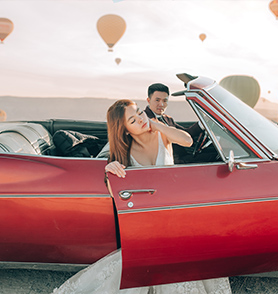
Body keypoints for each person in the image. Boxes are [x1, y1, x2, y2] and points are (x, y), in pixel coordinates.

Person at [53, 99, 232, 294]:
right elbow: (117, 193)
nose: (140, 119)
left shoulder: (160, 133)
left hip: (174, 209)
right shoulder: (125, 152)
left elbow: (187, 140)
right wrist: (109, 171)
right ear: (125, 130)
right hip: (150, 217)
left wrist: (155, 123)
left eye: (139, 112)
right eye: (132, 119)